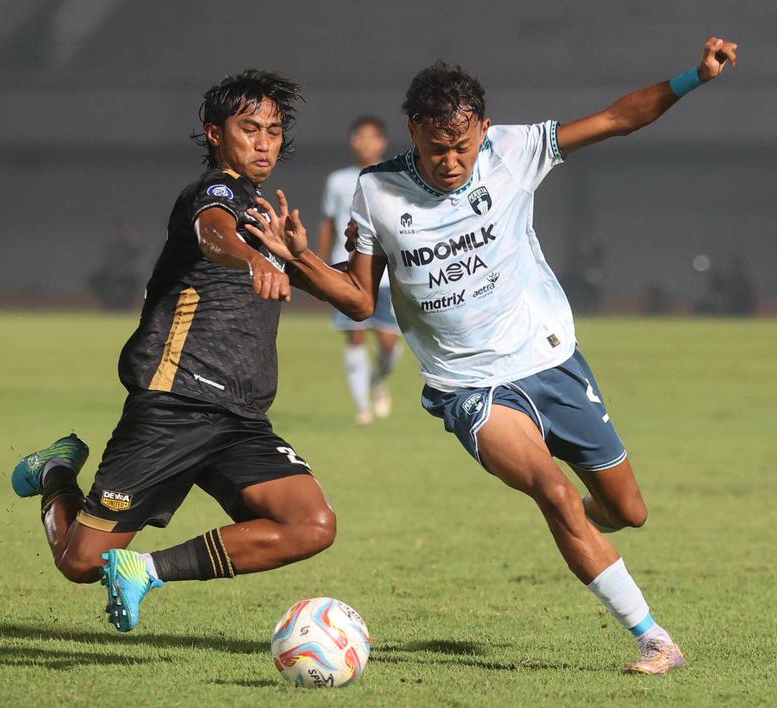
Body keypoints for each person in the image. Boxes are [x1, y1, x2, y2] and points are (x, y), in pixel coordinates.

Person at [247, 38, 738, 674]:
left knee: (626, 511)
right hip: (468, 386)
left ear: (482, 126)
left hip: (552, 361)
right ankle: (653, 638)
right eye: (434, 149)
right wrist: (301, 259)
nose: (449, 162)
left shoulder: (516, 149)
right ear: (413, 133)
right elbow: (360, 299)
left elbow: (620, 118)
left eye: (462, 146)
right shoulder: (379, 190)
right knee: (554, 493)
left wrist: (693, 78)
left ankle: (585, 536)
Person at [8, 70, 336, 633]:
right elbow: (214, 234)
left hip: (239, 418)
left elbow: (353, 300)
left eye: (274, 131)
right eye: (249, 128)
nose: (263, 142)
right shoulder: (216, 193)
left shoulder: (265, 220)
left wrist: (320, 255)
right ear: (215, 133)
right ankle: (56, 471)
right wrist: (254, 260)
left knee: (311, 525)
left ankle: (146, 570)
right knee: (81, 562)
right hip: (174, 404)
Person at [318, 116, 403, 424]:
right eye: (359, 137)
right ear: (352, 141)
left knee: (389, 343)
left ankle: (378, 380)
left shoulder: (393, 175)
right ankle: (362, 407)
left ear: (382, 142)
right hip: (347, 269)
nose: (365, 143)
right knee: (354, 336)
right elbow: (329, 222)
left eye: (372, 137)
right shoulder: (337, 180)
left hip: (384, 273)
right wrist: (319, 264)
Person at [89, 222, 144, 311]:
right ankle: (107, 305)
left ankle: (125, 306)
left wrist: (126, 268)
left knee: (132, 283)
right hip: (112, 272)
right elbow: (108, 259)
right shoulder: (113, 245)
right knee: (97, 279)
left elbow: (137, 262)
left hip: (129, 274)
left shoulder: (134, 245)